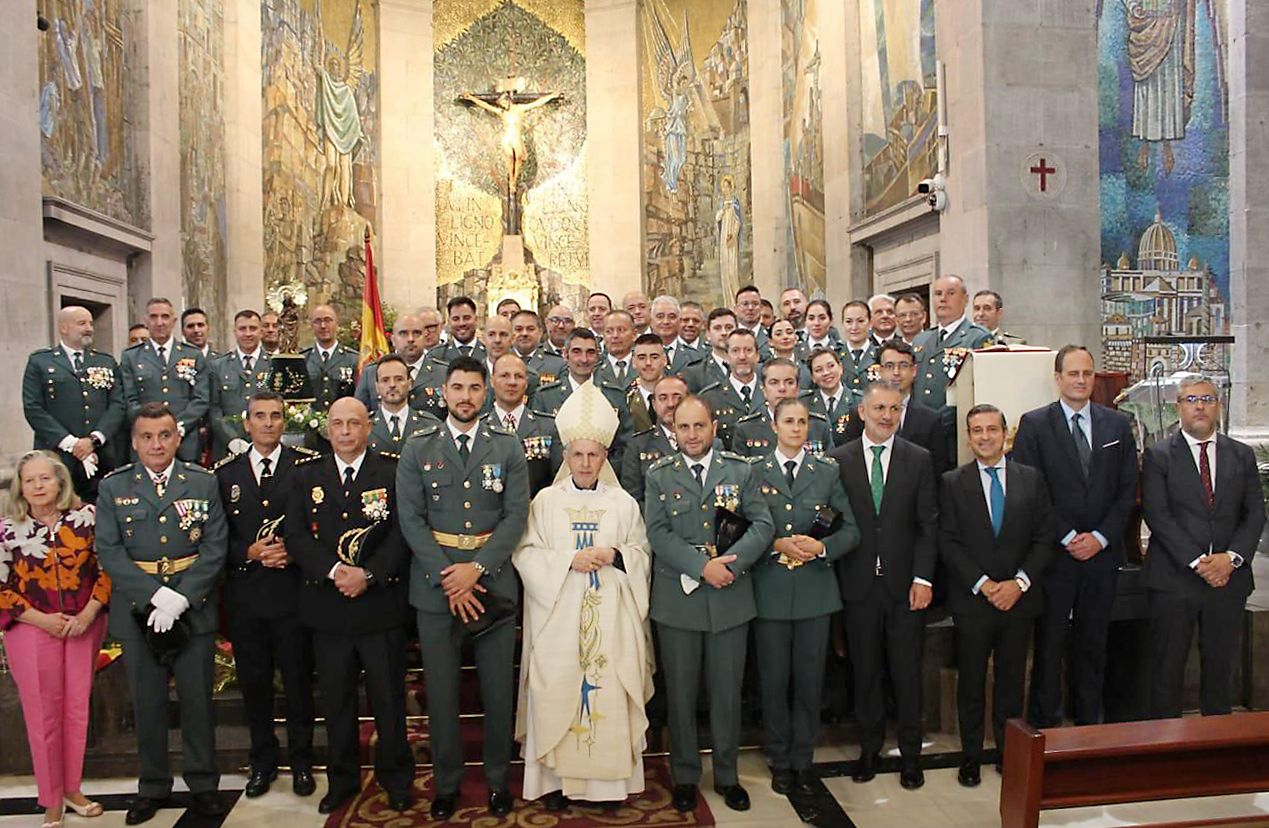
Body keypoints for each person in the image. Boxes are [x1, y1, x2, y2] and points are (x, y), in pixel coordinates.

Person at [397, 357, 530, 820]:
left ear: (486, 392)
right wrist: (449, 577)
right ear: (443, 392)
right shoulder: (419, 448)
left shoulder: (507, 447)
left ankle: (497, 782)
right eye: (458, 388)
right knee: (443, 692)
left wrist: (475, 568)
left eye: (475, 388)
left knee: (497, 693)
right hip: (437, 588)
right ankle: (447, 784)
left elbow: (516, 516)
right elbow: (411, 520)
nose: (466, 396)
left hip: (491, 583)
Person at [513, 380, 653, 810]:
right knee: (557, 689)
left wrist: (614, 553)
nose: (586, 462)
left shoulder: (623, 503)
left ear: (605, 456)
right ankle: (554, 783)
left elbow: (642, 551)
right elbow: (526, 552)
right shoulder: (545, 502)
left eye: (594, 454)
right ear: (566, 456)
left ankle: (609, 787)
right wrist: (565, 562)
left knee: (606, 692)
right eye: (578, 454)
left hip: (611, 620)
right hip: (557, 622)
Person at [95, 403, 228, 824]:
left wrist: (181, 599)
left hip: (193, 607)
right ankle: (152, 786)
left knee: (197, 701)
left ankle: (204, 784)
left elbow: (214, 547)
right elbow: (110, 551)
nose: (157, 444)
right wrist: (155, 597)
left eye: (165, 435)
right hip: (139, 611)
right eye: (147, 437)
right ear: (134, 442)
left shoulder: (203, 482)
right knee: (147, 703)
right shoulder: (114, 487)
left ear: (178, 437)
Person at [644, 396, 774, 813]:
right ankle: (685, 776)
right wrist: (703, 567)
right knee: (680, 697)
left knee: (726, 694)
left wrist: (730, 568)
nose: (692, 435)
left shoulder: (739, 469)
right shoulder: (659, 475)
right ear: (674, 430)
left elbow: (764, 524)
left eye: (699, 426)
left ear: (713, 426)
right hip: (678, 601)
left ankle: (727, 774)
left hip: (730, 596)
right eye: (684, 428)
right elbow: (657, 533)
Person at [285, 398, 415, 815]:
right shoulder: (307, 475)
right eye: (337, 424)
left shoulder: (392, 471)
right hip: (329, 606)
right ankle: (342, 781)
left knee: (388, 700)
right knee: (337, 701)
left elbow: (401, 533)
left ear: (368, 427)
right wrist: (335, 570)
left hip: (379, 604)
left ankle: (396, 779)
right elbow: (297, 534)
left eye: (353, 423)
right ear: (327, 429)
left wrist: (369, 574)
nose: (345, 431)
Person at [1012, 345, 1138, 728]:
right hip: (1054, 556)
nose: (1081, 380)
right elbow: (1030, 490)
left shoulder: (1116, 425)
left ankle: (1090, 725)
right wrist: (1066, 535)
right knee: (1049, 644)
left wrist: (1100, 537)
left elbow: (1126, 488)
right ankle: (1045, 726)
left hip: (1102, 555)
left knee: (1093, 644)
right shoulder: (1034, 425)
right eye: (1073, 374)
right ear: (1058, 378)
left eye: (1087, 373)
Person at [829, 381, 937, 790]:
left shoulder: (918, 458)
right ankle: (869, 750)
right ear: (862, 412)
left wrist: (923, 577)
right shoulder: (838, 460)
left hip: (905, 585)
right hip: (857, 588)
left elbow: (929, 525)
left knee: (907, 675)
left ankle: (911, 756)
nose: (886, 416)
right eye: (879, 409)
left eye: (894, 409)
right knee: (866, 673)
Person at [939, 405, 1054, 787]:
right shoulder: (953, 482)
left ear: (1006, 434)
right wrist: (984, 584)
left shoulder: (1031, 479)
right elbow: (949, 541)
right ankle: (970, 756)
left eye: (992, 429)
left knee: (1010, 683)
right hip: (974, 601)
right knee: (971, 682)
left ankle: (1008, 753)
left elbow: (1043, 538)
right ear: (969, 437)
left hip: (1019, 600)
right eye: (977, 431)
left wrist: (1018, 584)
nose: (985, 437)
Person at [750, 399, 859, 796]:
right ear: (774, 426)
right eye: (788, 421)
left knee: (811, 682)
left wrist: (821, 548)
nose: (796, 428)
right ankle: (780, 759)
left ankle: (803, 759)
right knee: (774, 681)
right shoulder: (754, 471)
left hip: (814, 591)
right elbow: (743, 531)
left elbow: (850, 531)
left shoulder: (826, 472)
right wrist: (774, 542)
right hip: (771, 592)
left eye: (802, 422)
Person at [213, 392, 318, 799]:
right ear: (247, 423)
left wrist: (294, 551)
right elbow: (217, 536)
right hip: (247, 595)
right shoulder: (225, 474)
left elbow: (317, 523)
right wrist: (250, 552)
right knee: (254, 685)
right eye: (260, 416)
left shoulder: (306, 466)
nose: (269, 423)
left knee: (297, 682)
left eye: (276, 416)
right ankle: (262, 762)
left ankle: (303, 763)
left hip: (294, 593)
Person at [1142, 376, 1266, 718]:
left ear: (1218, 405)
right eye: (1192, 399)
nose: (1200, 406)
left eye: (1208, 399)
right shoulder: (1159, 455)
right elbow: (1158, 514)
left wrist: (1232, 559)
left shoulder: (1240, 455)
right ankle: (1166, 752)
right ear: (1178, 407)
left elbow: (1255, 512)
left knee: (1220, 670)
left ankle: (1215, 752)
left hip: (1229, 581)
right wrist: (1199, 562)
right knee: (1167, 669)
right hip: (1174, 580)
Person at [1, 451, 111, 827]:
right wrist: (42, 621)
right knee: (43, 714)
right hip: (31, 629)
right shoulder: (6, 531)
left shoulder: (88, 520)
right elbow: (1, 588)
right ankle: (50, 798)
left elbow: (108, 569)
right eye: (29, 480)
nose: (37, 486)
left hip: (84, 624)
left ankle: (73, 789)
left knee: (77, 709)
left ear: (61, 482)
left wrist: (88, 613)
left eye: (45, 478)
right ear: (21, 487)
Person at [23, 306, 126, 500]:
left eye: (90, 323)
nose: (89, 328)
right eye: (82, 323)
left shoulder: (106, 362)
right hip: (57, 459)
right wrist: (72, 444)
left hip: (101, 457)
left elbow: (118, 404)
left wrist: (94, 440)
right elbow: (33, 408)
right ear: (63, 328)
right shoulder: (40, 362)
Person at [912, 276, 993, 460]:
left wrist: (939, 420)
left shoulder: (978, 338)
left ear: (965, 299)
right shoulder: (922, 339)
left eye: (950, 293)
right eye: (938, 294)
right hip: (919, 432)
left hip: (953, 432)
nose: (943, 299)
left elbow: (979, 388)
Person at [121, 298, 211, 463]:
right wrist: (152, 428)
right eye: (154, 317)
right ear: (146, 321)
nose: (159, 322)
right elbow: (129, 400)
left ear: (174, 321)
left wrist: (177, 427)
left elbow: (201, 398)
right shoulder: (131, 357)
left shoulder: (193, 354)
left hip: (185, 440)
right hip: (146, 442)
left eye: (165, 317)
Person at [842, 341, 949, 475]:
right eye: (889, 366)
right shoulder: (860, 414)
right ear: (880, 370)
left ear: (914, 370)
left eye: (903, 365)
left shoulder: (930, 419)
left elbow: (937, 472)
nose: (896, 372)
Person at [532, 329, 633, 469]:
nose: (584, 359)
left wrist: (601, 472)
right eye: (577, 352)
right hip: (557, 480)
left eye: (590, 353)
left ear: (598, 357)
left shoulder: (614, 395)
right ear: (565, 355)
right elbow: (541, 449)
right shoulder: (545, 396)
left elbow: (625, 445)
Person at [483, 352, 562, 497]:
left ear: (526, 383)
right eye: (504, 376)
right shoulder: (479, 428)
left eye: (518, 376)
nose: (512, 382)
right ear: (492, 381)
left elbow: (559, 481)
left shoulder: (548, 427)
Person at [732, 357, 831, 458]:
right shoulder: (746, 429)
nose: (782, 388)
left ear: (797, 388)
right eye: (774, 382)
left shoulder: (819, 426)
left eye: (789, 382)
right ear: (763, 389)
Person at [208, 310, 273, 460]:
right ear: (234, 332)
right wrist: (231, 439)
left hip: (267, 447)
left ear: (261, 331)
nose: (248, 333)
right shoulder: (218, 366)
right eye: (242, 329)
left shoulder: (274, 364)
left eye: (253, 328)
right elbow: (214, 409)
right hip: (227, 448)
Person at [621, 375, 689, 505]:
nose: (671, 404)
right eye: (663, 398)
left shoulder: (708, 443)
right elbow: (632, 500)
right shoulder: (637, 446)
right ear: (654, 404)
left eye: (677, 397)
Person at [354, 313, 436, 411]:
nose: (410, 339)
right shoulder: (371, 373)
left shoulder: (442, 373)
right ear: (393, 339)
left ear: (425, 337)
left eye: (416, 333)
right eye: (403, 333)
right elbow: (359, 414)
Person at [700, 328, 764, 450]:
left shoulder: (771, 392)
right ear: (727, 356)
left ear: (757, 356)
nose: (742, 356)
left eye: (748, 350)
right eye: (735, 351)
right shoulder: (709, 398)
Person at [367, 354, 440, 454]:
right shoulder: (364, 426)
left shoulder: (430, 425)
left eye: (399, 379)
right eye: (385, 380)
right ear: (377, 387)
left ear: (410, 384)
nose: (392, 385)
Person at [301, 304, 358, 412]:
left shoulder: (353, 359)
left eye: (328, 320)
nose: (323, 326)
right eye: (317, 321)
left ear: (336, 323)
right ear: (311, 326)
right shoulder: (302, 360)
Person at [481, 314, 541, 408]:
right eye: (491, 334)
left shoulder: (530, 376)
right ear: (483, 338)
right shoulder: (473, 374)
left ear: (513, 339)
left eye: (503, 335)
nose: (497, 340)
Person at [803, 347, 856, 447]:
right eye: (819, 370)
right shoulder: (804, 403)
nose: (826, 373)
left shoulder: (859, 401)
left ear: (840, 368)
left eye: (831, 366)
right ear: (813, 377)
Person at [682, 308, 736, 393]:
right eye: (717, 328)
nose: (724, 332)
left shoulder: (753, 367)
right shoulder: (695, 373)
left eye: (729, 327)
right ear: (708, 334)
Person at [512, 309, 566, 385]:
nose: (524, 333)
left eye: (530, 329)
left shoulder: (558, 365)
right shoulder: (499, 362)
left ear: (540, 333)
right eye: (519, 329)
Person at [836, 301, 877, 402]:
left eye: (860, 321)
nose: (854, 327)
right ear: (843, 324)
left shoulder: (881, 355)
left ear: (870, 323)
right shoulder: (834, 356)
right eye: (849, 322)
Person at [628, 333, 668, 432]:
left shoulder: (678, 397)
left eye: (654, 357)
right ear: (633, 362)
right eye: (642, 357)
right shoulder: (625, 400)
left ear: (664, 360)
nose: (648, 363)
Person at [652, 295, 700, 375]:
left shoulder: (696, 356)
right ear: (651, 320)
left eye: (672, 317)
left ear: (680, 321)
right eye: (660, 317)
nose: (666, 321)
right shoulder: (638, 355)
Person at [437, 296, 486, 363]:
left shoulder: (490, 353)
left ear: (476, 320)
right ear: (449, 322)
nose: (461, 323)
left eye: (466, 318)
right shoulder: (436, 356)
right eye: (456, 319)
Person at [596, 310, 637, 388]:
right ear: (603, 336)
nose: (615, 335)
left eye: (621, 330)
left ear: (634, 334)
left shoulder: (644, 366)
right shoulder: (594, 370)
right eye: (609, 331)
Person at [734, 285, 771, 353]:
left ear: (761, 308)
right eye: (745, 304)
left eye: (755, 304)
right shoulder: (729, 337)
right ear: (735, 309)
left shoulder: (771, 336)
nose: (750, 308)